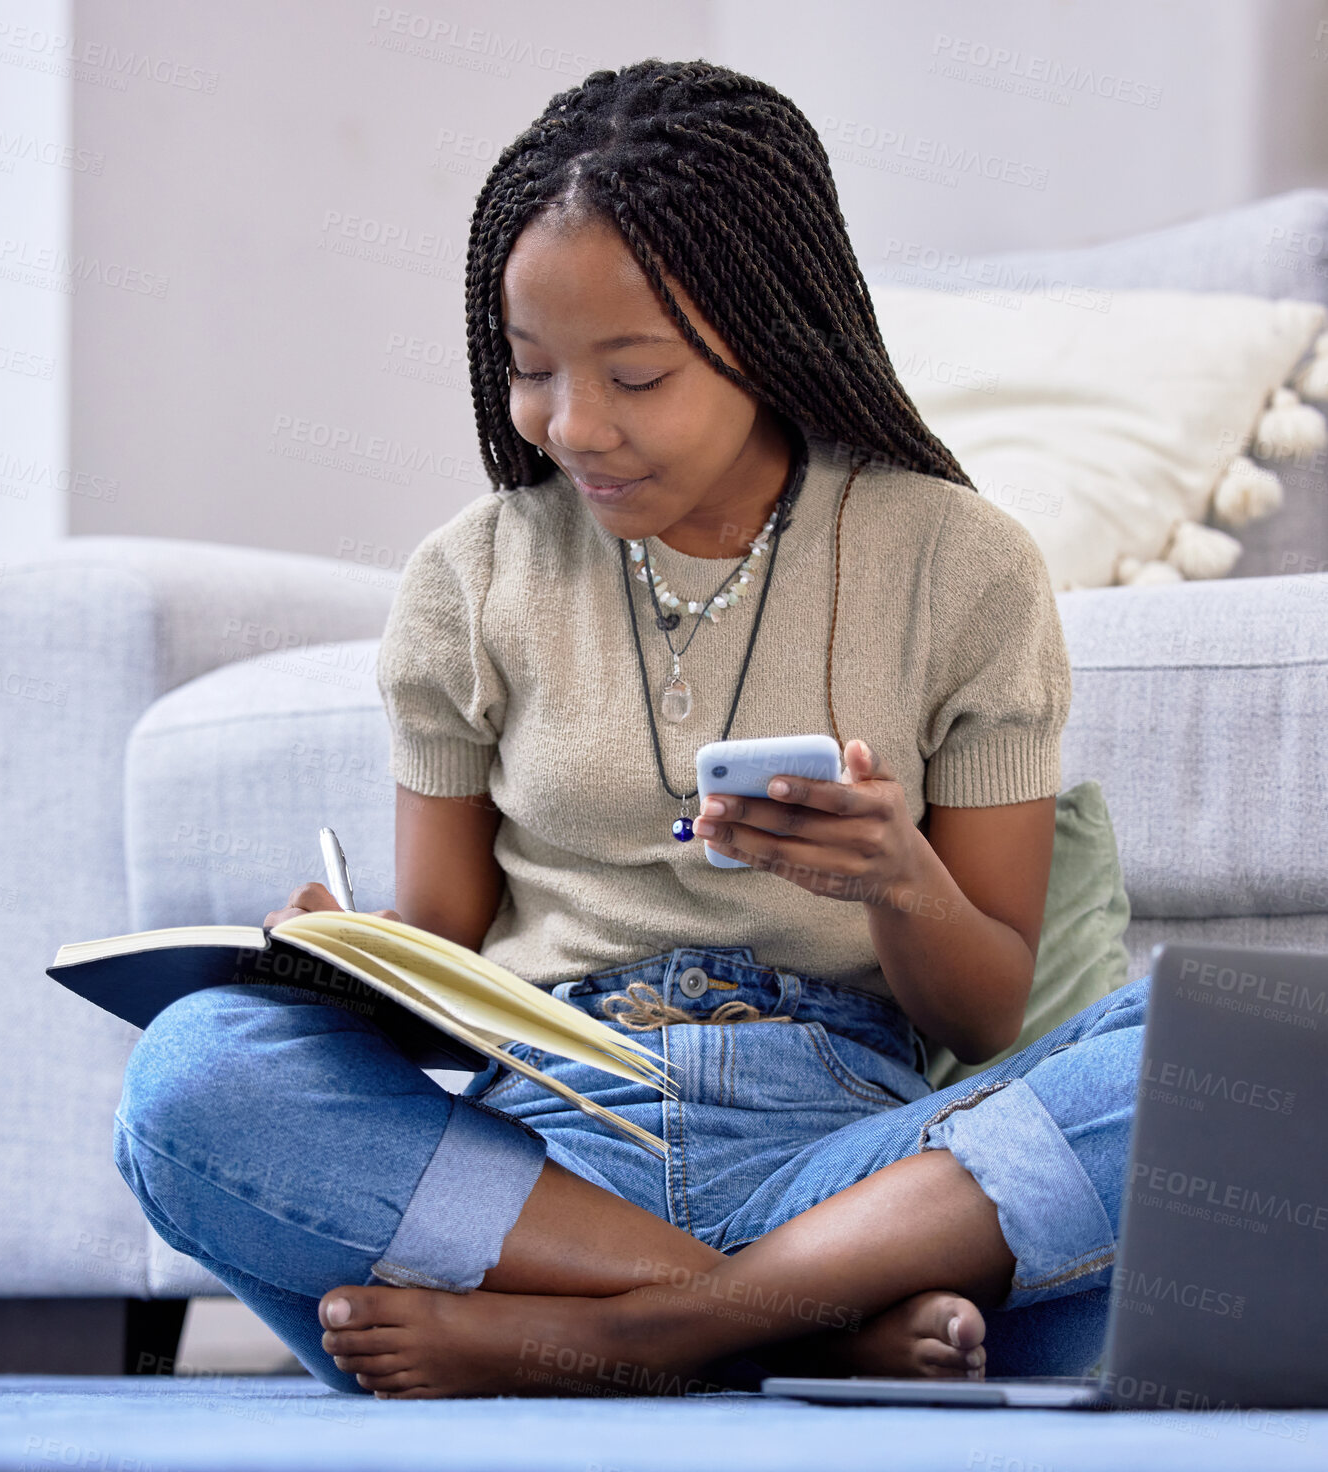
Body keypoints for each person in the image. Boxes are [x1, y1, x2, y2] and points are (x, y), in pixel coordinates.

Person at [113, 58, 1149, 1399]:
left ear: (769, 332)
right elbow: (441, 947)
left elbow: (984, 1010)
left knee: (1243, 1062)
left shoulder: (963, 566)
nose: (571, 426)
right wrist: (344, 964)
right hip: (545, 1159)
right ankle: (800, 1331)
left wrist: (898, 879)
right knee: (191, 1078)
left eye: (636, 375)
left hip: (855, 1159)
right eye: (531, 370)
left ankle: (629, 1339)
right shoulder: (468, 579)